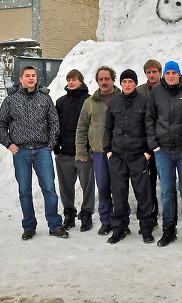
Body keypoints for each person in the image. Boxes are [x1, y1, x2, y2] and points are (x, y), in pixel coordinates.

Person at [0, 66, 68, 240]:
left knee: (49, 189)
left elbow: (54, 122)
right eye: (27, 76)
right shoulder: (11, 100)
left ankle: (55, 225)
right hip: (21, 152)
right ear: (20, 79)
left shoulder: (45, 98)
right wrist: (9, 144)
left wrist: (50, 145)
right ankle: (29, 226)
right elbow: (0, 124)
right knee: (25, 191)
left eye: (33, 75)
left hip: (42, 151)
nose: (31, 78)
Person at [146, 60, 182, 247]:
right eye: (167, 73)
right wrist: (154, 145)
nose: (170, 76)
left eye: (173, 73)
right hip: (163, 151)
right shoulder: (156, 92)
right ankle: (168, 229)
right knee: (167, 192)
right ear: (164, 75)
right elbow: (150, 119)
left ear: (179, 74)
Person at [103, 69, 156, 245]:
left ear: (135, 83)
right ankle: (119, 229)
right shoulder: (114, 101)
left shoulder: (144, 101)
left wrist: (148, 152)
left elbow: (150, 127)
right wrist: (108, 150)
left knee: (143, 194)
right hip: (117, 155)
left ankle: (146, 229)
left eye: (130, 82)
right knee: (118, 193)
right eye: (124, 81)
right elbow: (108, 127)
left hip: (138, 156)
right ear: (121, 83)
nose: (127, 85)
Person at [76, 66, 121, 237]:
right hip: (98, 152)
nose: (104, 82)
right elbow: (82, 128)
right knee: (103, 187)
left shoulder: (121, 98)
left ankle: (120, 220)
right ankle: (106, 221)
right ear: (97, 81)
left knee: (119, 187)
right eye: (101, 79)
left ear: (112, 80)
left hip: (118, 152)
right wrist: (81, 151)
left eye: (107, 79)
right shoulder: (90, 102)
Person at [54, 69, 95, 232]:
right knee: (65, 187)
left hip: (83, 153)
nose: (71, 82)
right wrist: (56, 144)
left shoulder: (89, 100)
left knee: (87, 186)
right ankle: (69, 214)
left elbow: (93, 126)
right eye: (69, 80)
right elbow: (55, 126)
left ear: (81, 81)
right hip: (64, 152)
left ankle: (87, 215)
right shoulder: (61, 102)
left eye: (74, 80)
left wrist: (89, 147)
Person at [134, 59, 162, 227]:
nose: (152, 75)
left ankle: (170, 217)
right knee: (148, 182)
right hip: (145, 144)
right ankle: (152, 216)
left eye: (154, 72)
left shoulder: (166, 89)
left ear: (160, 72)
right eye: (148, 72)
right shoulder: (140, 91)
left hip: (164, 142)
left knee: (167, 182)